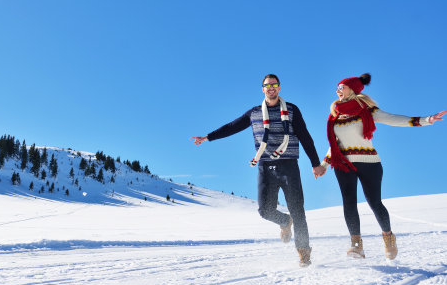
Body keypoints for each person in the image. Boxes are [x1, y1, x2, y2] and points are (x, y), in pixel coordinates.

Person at [191, 74, 323, 267]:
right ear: (262, 89)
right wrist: (208, 137)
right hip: (265, 167)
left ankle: (304, 253)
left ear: (279, 88)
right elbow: (232, 126)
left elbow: (305, 136)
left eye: (274, 85)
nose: (271, 88)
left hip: (289, 166)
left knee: (298, 210)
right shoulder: (254, 113)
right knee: (264, 210)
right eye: (267, 85)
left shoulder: (292, 110)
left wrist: (315, 163)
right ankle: (285, 222)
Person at [318, 73, 446, 260]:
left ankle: (388, 236)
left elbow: (394, 118)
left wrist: (425, 120)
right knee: (349, 203)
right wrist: (323, 164)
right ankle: (356, 245)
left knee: (374, 202)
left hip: (369, 163)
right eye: (337, 88)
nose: (337, 91)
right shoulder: (335, 115)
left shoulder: (367, 110)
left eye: (341, 87)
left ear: (352, 90)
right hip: (343, 164)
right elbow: (334, 144)